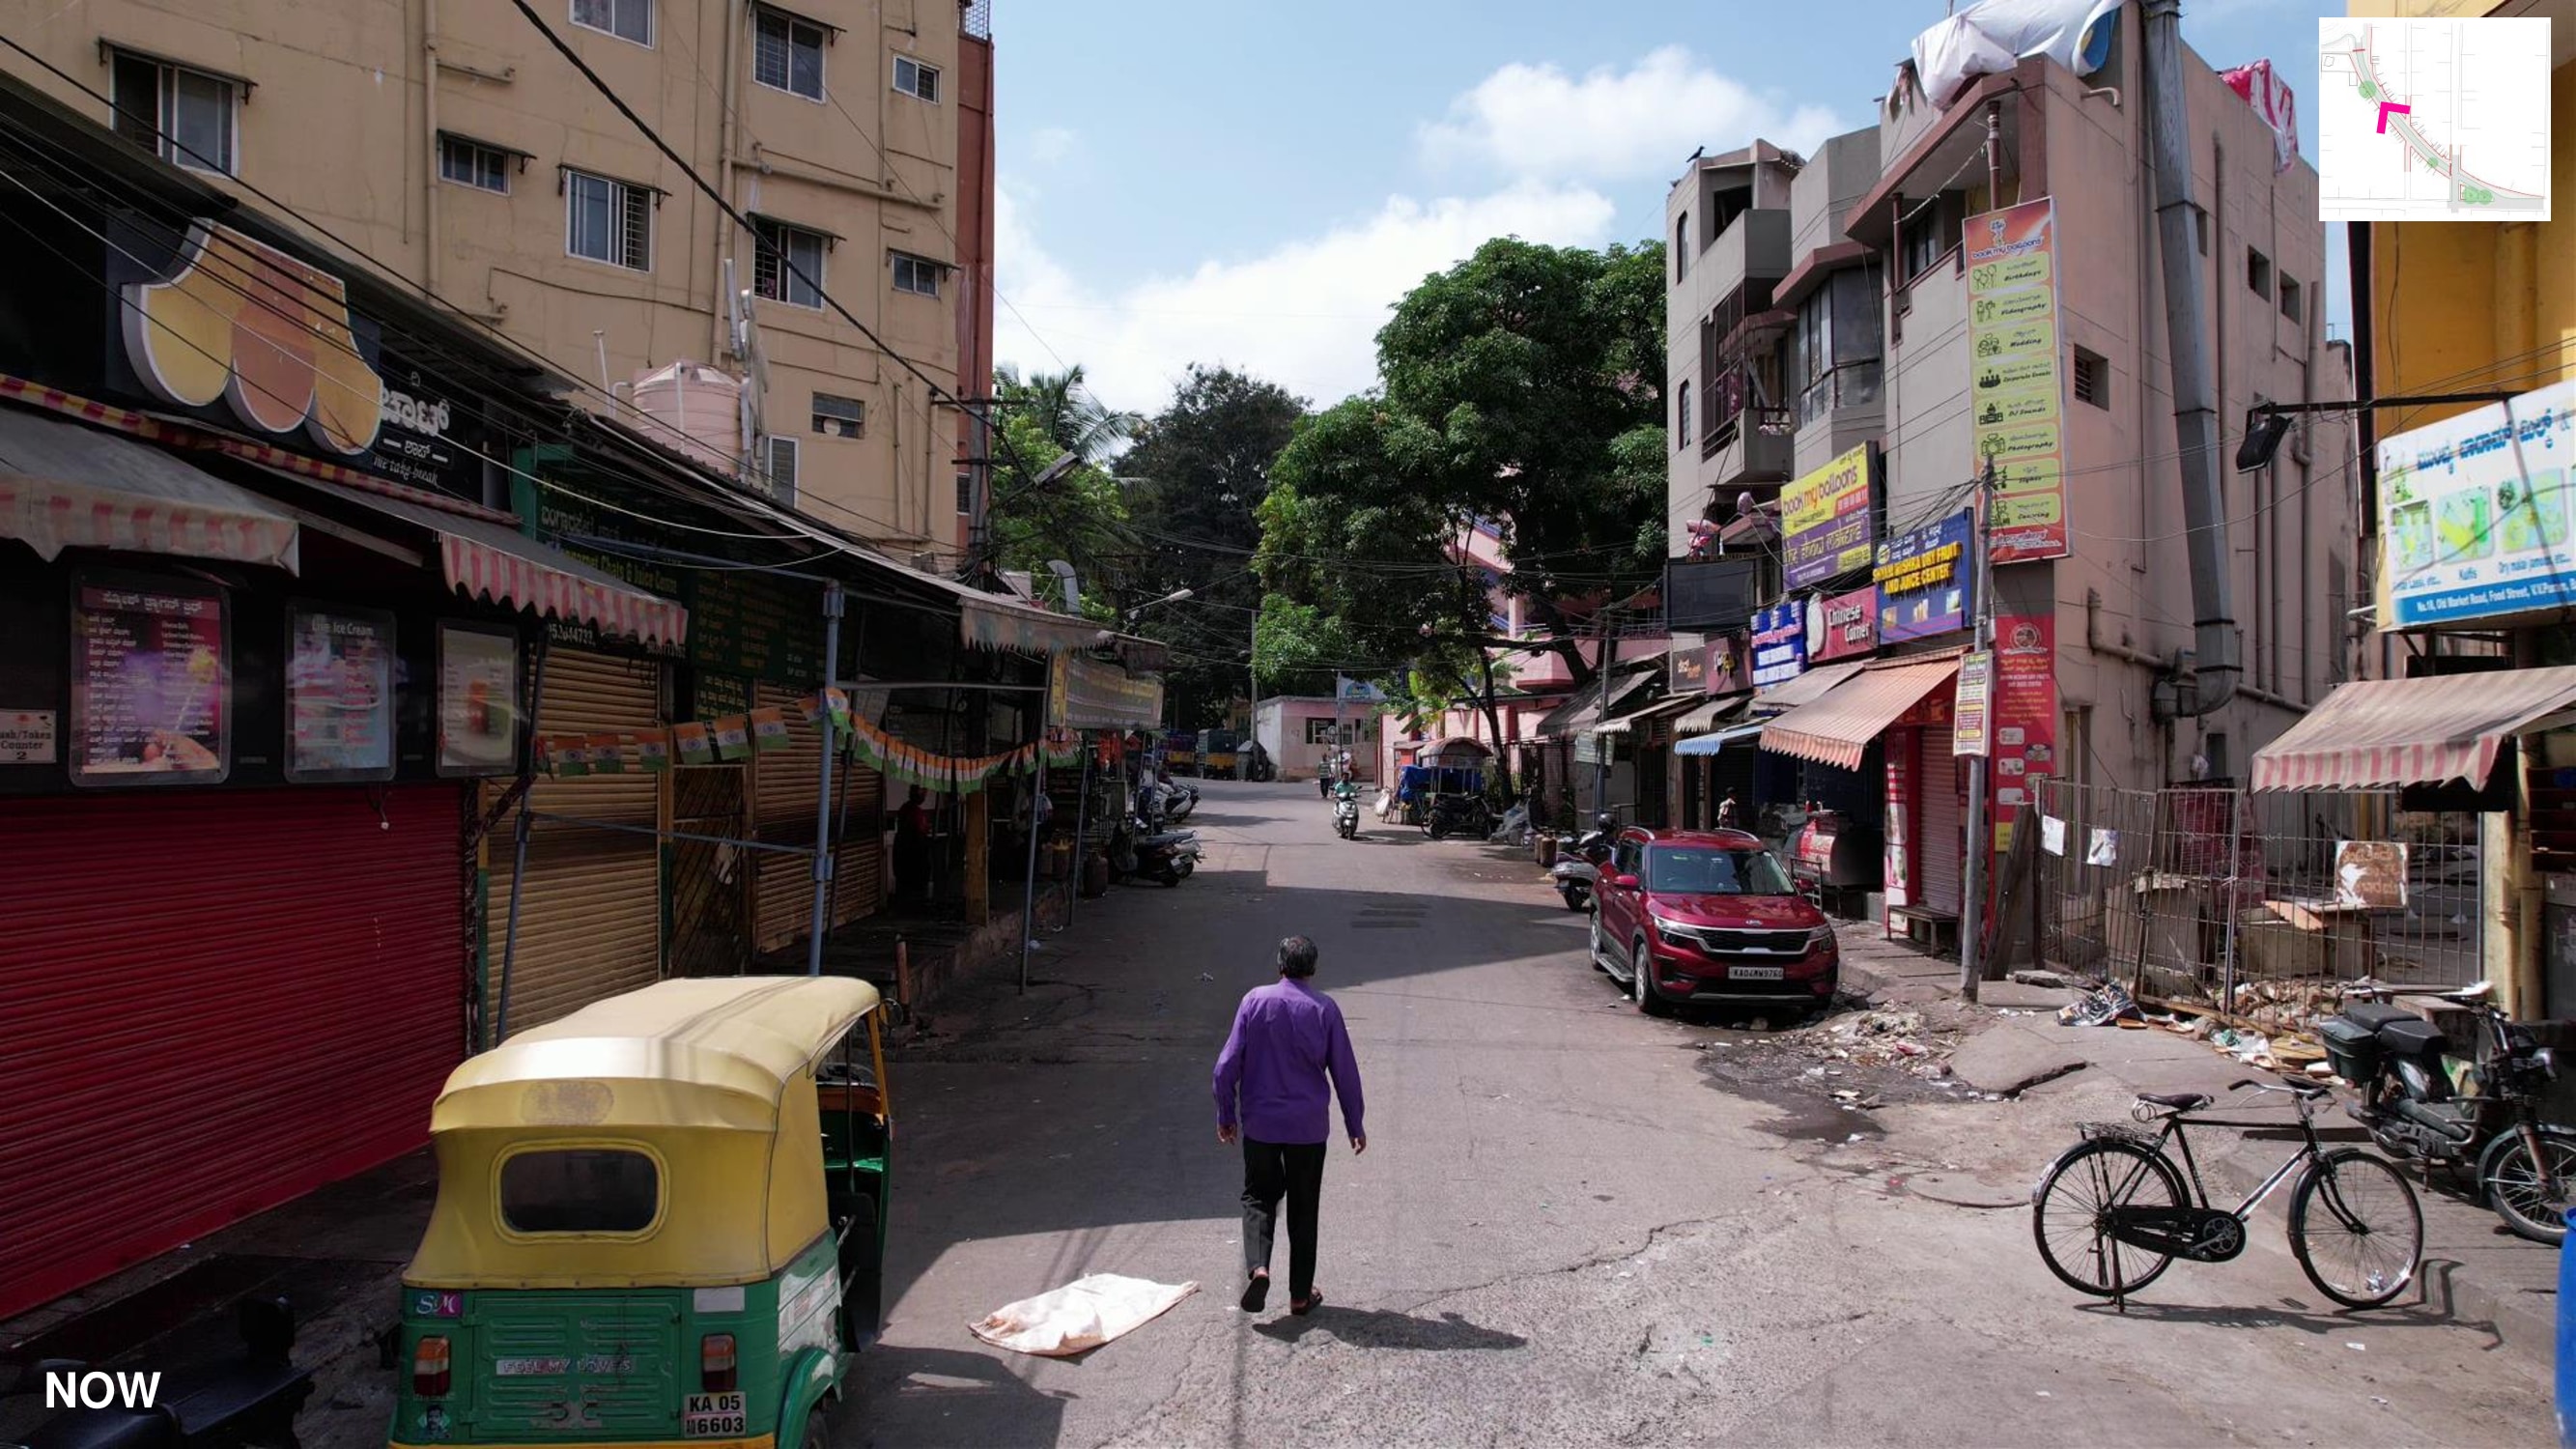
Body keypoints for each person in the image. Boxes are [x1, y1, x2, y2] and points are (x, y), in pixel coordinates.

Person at [1211, 936, 1365, 1316]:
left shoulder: (1254, 1001)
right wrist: (1354, 1122)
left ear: (1279, 965)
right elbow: (1344, 1071)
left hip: (1262, 1124)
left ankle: (1259, 1267)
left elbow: (1224, 1068)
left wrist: (1225, 1115)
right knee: (1303, 1206)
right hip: (1308, 1129)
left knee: (1258, 1195)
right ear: (1312, 969)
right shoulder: (1324, 1009)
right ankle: (1299, 1295)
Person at [892, 785, 932, 906]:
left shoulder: (906, 809)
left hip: (904, 854)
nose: (925, 794)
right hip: (912, 856)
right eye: (923, 791)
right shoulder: (914, 813)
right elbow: (920, 832)